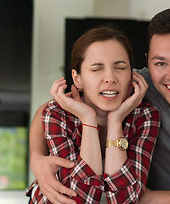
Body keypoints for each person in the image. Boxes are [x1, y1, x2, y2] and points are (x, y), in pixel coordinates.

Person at [28, 7, 170, 204]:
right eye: (160, 63)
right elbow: (52, 109)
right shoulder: (136, 84)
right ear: (148, 63)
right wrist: (36, 158)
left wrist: (149, 199)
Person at [26, 27, 160, 203]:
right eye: (97, 69)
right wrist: (88, 119)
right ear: (77, 79)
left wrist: (115, 121)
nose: (110, 78)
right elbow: (79, 199)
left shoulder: (145, 116)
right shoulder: (57, 115)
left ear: (132, 75)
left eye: (120, 67)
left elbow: (127, 199)